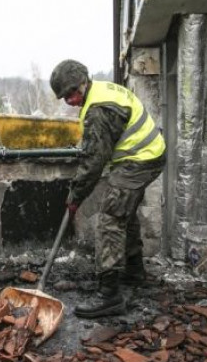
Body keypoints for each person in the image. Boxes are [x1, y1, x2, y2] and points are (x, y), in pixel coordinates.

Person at [49, 60, 165, 319]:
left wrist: (75, 196)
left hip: (140, 160)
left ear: (83, 82)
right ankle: (135, 274)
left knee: (110, 220)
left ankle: (109, 295)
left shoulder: (99, 110)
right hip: (146, 155)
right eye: (64, 97)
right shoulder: (100, 91)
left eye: (71, 94)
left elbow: (93, 164)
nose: (69, 100)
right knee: (125, 213)